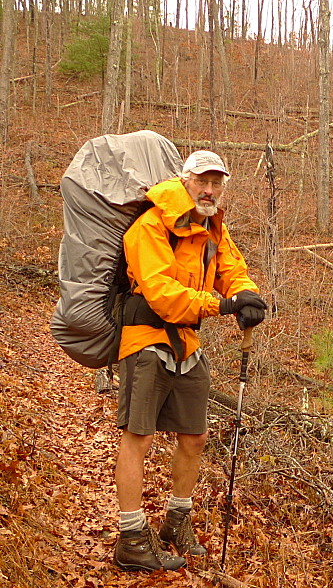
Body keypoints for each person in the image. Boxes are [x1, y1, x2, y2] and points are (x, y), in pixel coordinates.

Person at [112, 150, 268, 571]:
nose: (210, 189)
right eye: (202, 180)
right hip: (145, 339)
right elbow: (161, 294)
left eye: (217, 182)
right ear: (184, 181)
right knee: (138, 438)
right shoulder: (150, 226)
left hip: (186, 343)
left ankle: (175, 522)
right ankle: (130, 537)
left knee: (194, 437)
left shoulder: (212, 227)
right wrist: (222, 305)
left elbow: (233, 270)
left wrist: (247, 295)